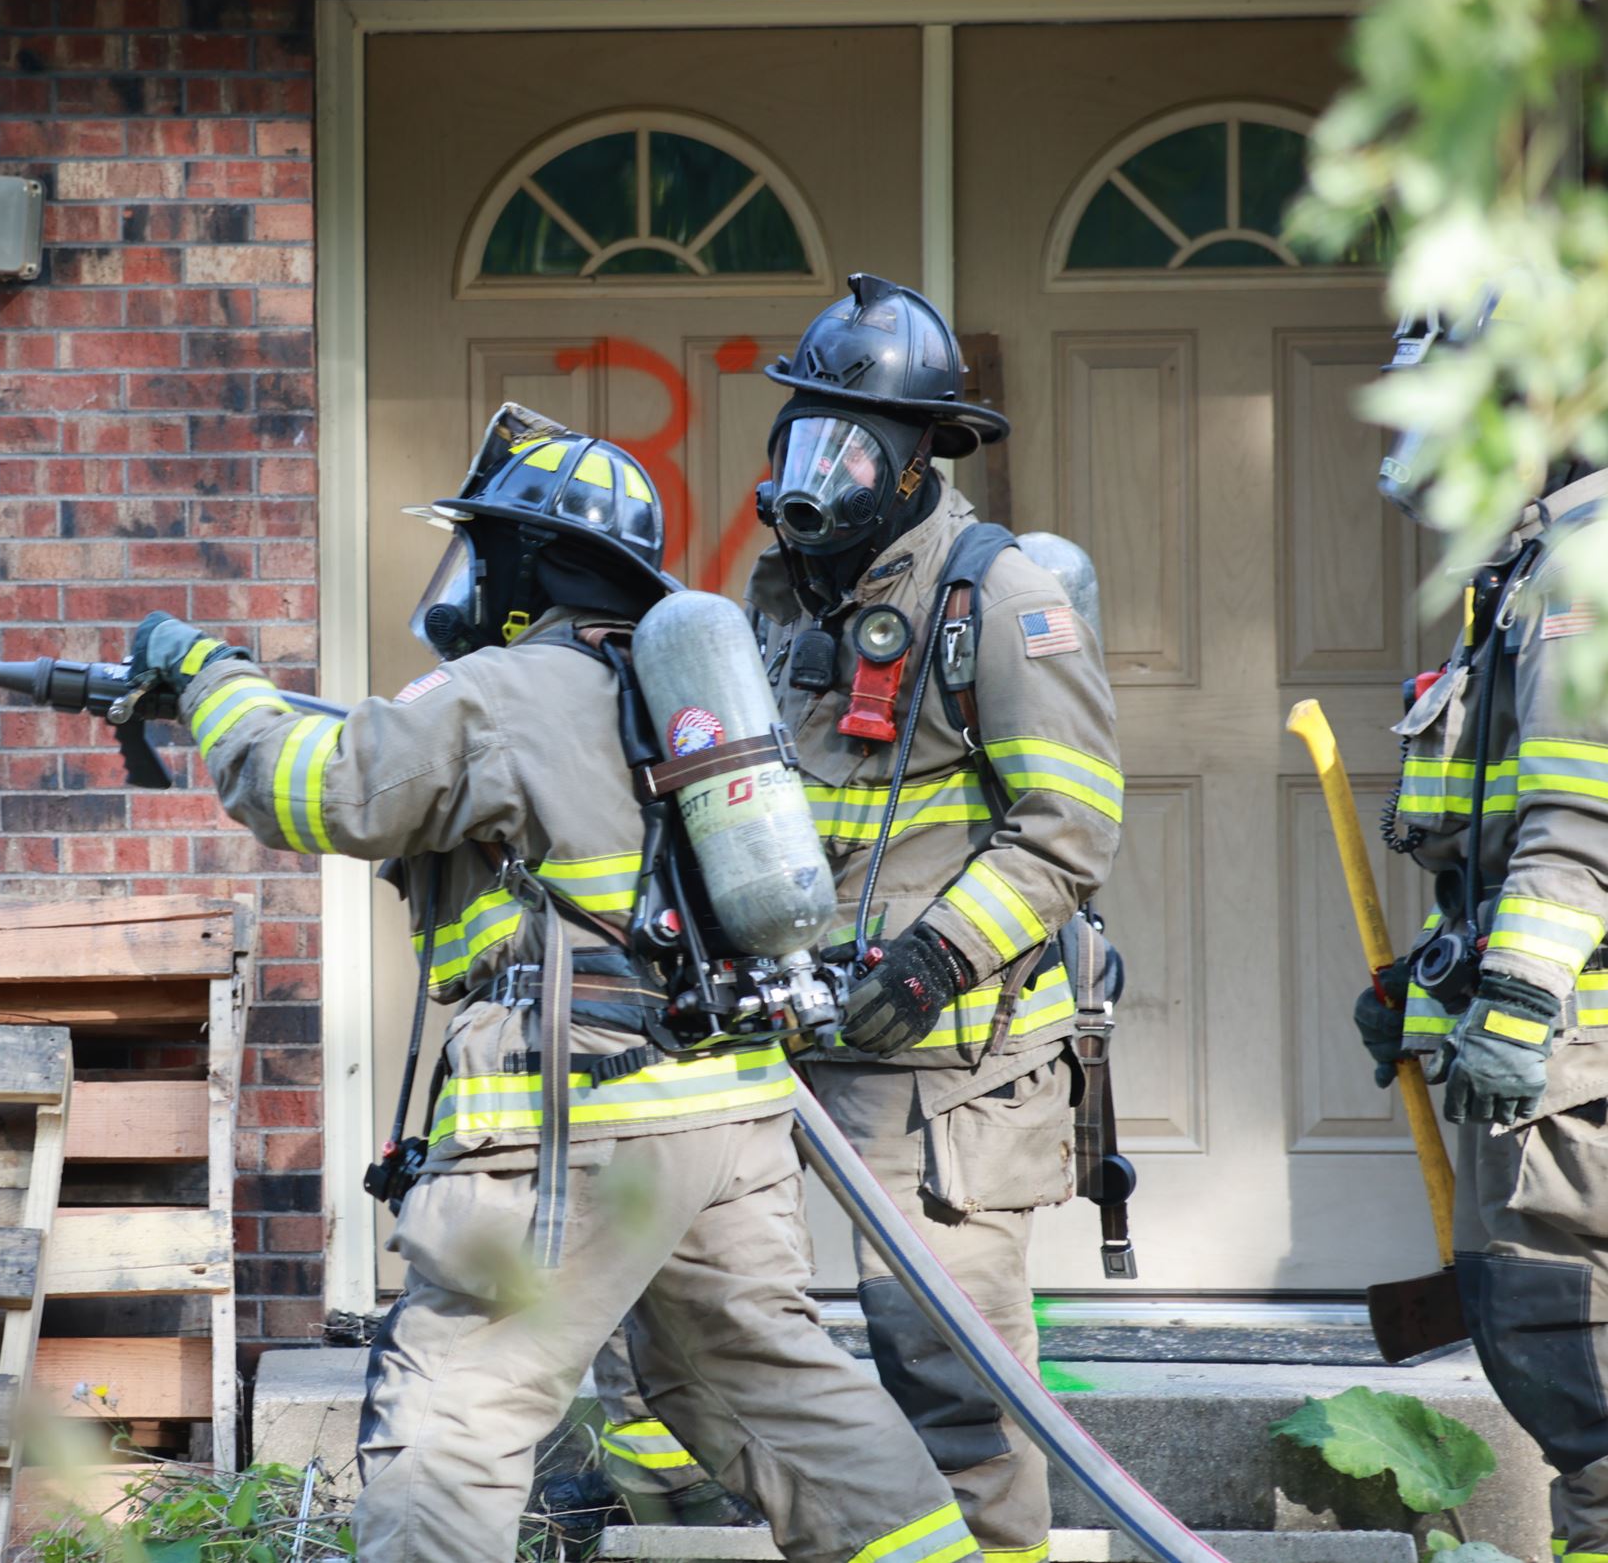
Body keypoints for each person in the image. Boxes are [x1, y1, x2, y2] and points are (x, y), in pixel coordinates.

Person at [125, 404, 980, 1563]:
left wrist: (205, 674)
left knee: (452, 1420)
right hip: (725, 1114)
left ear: (527, 561)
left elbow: (313, 786)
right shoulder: (675, 693)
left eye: (480, 548)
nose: (465, 577)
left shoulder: (500, 689)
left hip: (568, 1116)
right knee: (778, 1391)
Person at [592, 275, 1124, 1563]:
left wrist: (936, 958)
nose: (813, 471)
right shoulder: (776, 601)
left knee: (950, 1361)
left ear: (914, 462)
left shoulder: (995, 598)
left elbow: (1069, 825)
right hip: (788, 1025)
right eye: (800, 436)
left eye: (852, 445)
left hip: (952, 1059)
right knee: (693, 1314)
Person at [1361, 308, 1608, 1563]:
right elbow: (1493, 851)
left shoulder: (1584, 567)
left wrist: (1508, 1005)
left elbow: (1579, 819)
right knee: (1552, 1345)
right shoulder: (1528, 565)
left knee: (1574, 1342)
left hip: (1575, 1061)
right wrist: (1429, 983)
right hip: (1545, 1045)